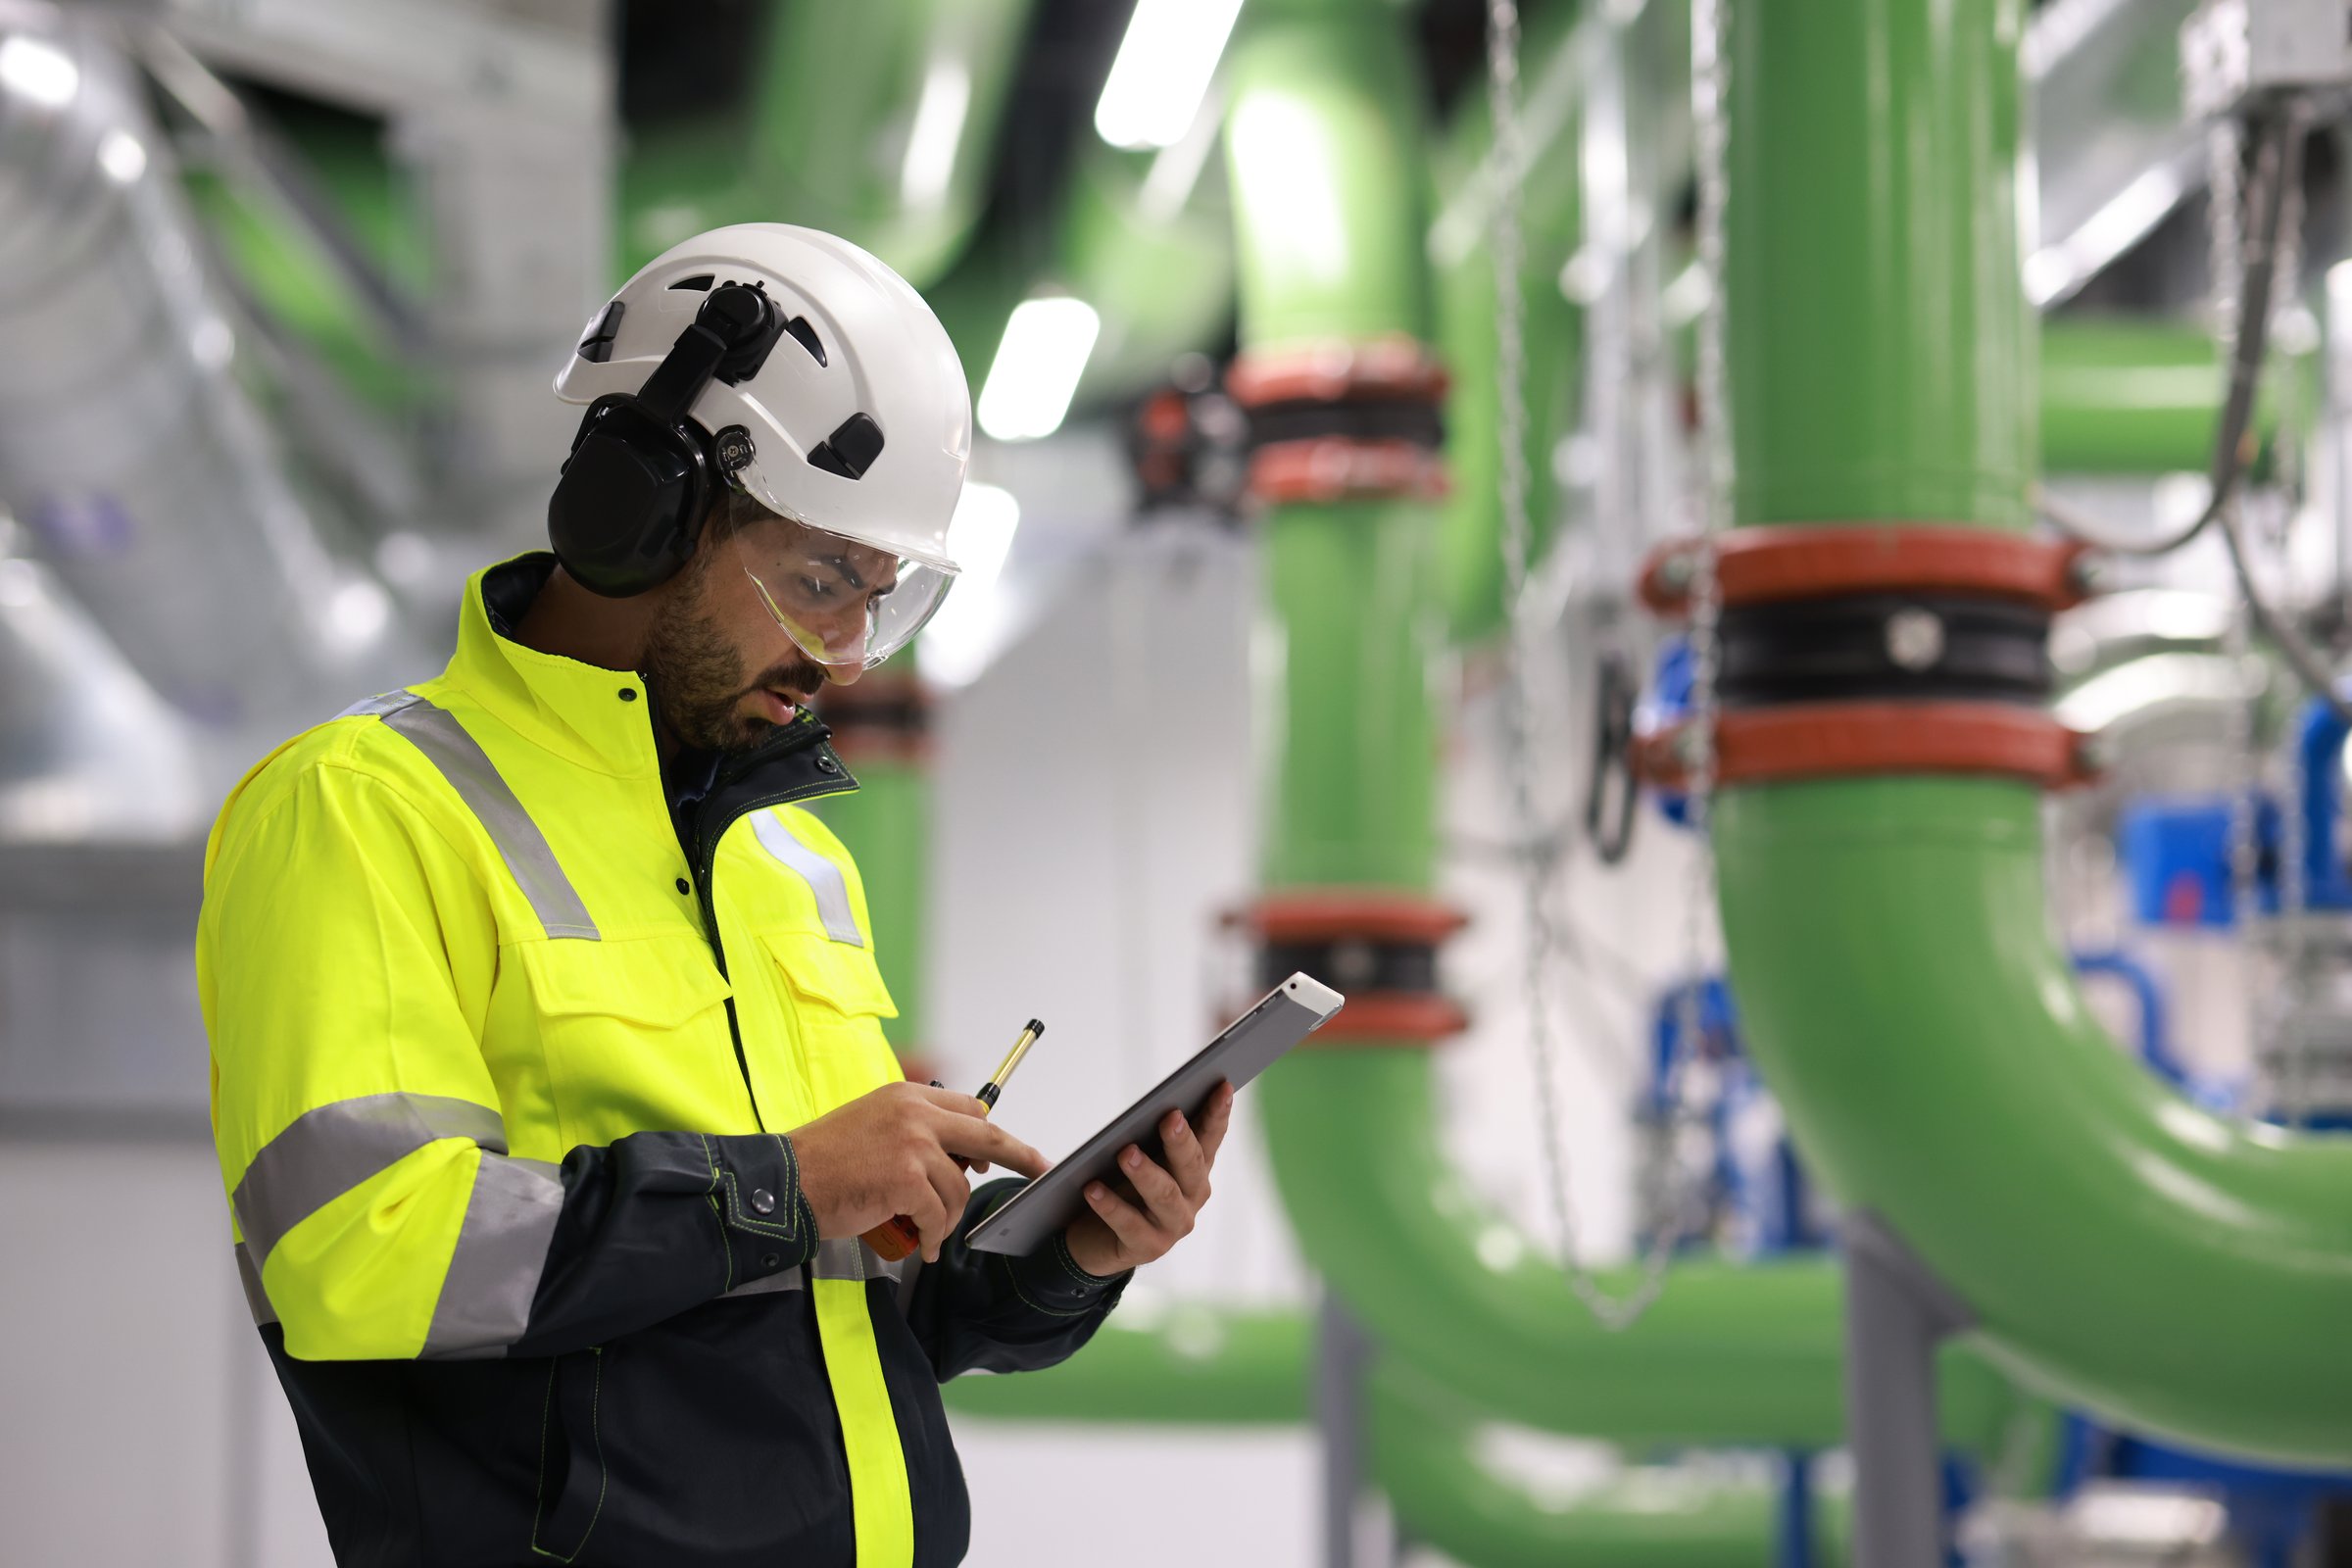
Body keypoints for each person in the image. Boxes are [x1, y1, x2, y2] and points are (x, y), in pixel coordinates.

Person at [196, 223, 1234, 1568]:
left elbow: (843, 1307)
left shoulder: (787, 865)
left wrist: (1061, 1257)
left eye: (879, 598)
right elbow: (363, 1252)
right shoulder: (365, 807)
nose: (847, 656)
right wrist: (784, 1184)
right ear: (640, 513)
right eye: (818, 581)